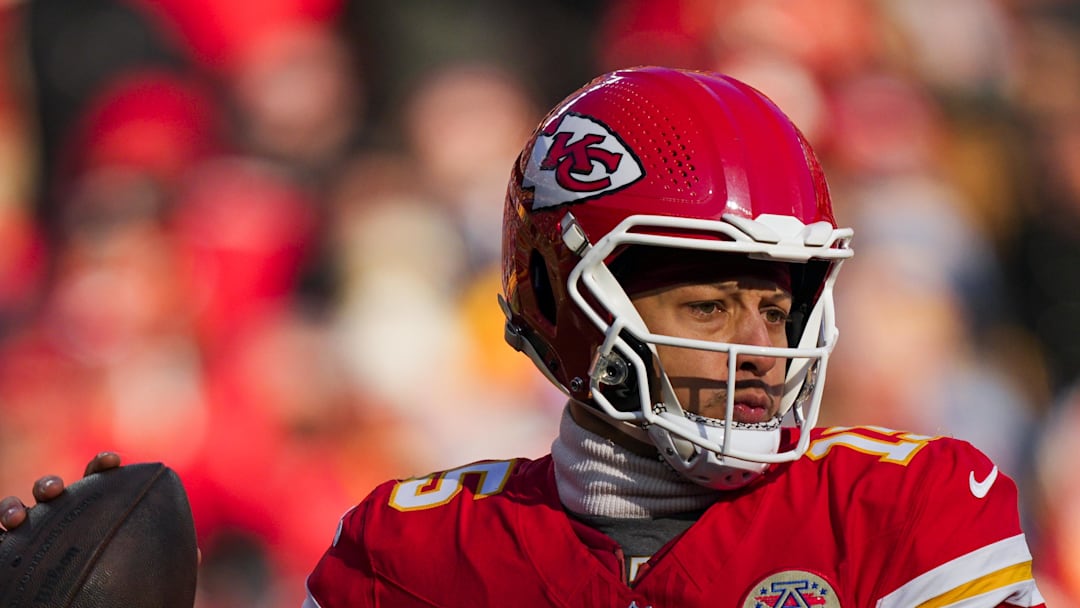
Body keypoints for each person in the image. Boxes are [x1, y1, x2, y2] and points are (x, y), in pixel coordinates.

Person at [0, 66, 1045, 608]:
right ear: (567, 300)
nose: (759, 348)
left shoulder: (905, 511)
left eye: (778, 306)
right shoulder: (417, 552)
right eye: (709, 304)